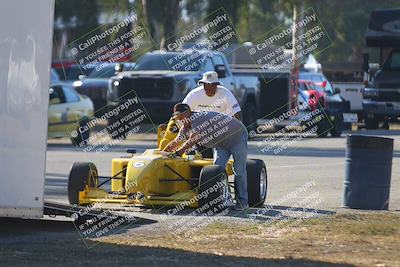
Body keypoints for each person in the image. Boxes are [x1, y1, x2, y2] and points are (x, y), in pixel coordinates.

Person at [163, 103, 249, 210]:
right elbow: (176, 141)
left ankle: (243, 203)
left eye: (182, 116)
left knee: (239, 170)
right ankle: (225, 199)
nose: (180, 119)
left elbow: (192, 140)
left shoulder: (198, 119)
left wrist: (178, 153)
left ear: (189, 113)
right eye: (178, 117)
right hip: (220, 143)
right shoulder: (185, 126)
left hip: (237, 136)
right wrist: (163, 153)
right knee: (216, 171)